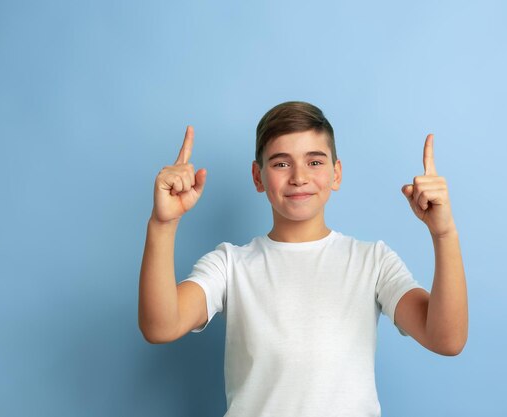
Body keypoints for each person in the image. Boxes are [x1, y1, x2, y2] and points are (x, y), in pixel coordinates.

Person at [138, 101, 468, 417]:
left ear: (336, 174)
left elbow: (447, 339)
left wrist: (444, 234)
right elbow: (161, 326)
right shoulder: (229, 265)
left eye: (314, 162)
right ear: (258, 177)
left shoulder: (372, 261)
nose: (299, 176)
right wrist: (162, 224)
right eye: (281, 163)